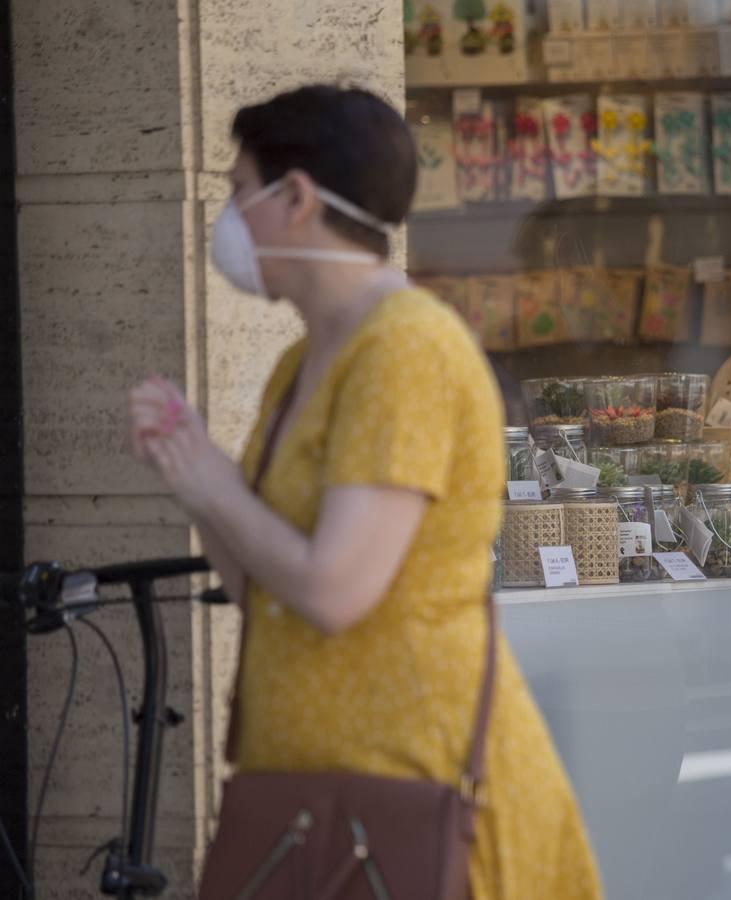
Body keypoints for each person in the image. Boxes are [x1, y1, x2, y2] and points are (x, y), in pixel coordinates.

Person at [125, 85, 603, 900]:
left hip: (415, 795)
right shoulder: (299, 363)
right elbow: (260, 587)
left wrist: (214, 482)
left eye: (240, 191)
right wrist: (195, 481)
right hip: (316, 805)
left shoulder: (406, 347)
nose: (229, 218)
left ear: (298, 197)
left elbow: (335, 589)